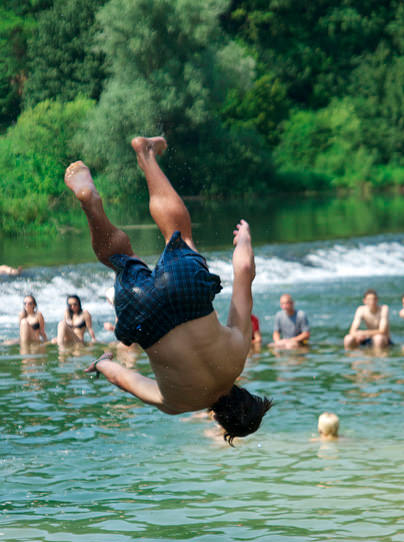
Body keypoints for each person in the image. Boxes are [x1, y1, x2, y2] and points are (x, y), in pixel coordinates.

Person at [64, 135, 272, 444]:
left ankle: (146, 154)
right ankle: (90, 204)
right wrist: (102, 363)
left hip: (187, 294)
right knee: (121, 259)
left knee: (180, 234)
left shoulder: (238, 355)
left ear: (247, 393)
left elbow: (243, 271)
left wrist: (244, 238)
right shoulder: (176, 404)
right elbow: (123, 378)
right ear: (218, 419)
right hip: (145, 316)